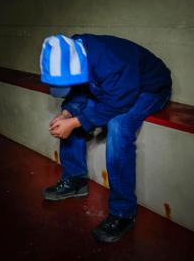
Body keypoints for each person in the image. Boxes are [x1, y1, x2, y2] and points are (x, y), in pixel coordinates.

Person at [39, 34, 172, 242]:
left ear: (80, 63)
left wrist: (75, 123)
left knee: (118, 126)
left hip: (149, 87)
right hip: (113, 87)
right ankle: (75, 178)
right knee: (74, 113)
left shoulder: (111, 62)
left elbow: (119, 102)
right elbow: (80, 89)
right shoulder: (70, 52)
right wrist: (67, 113)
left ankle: (123, 212)